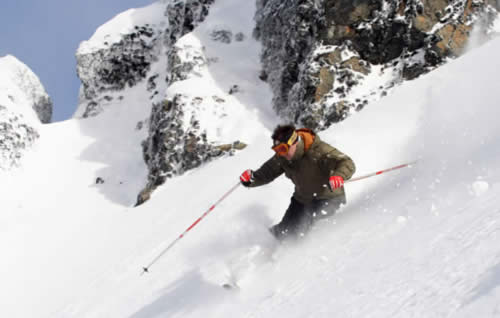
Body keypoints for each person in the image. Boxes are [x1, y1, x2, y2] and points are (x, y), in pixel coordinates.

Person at [239, 124, 356, 240]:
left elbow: (346, 162)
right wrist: (252, 179)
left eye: (283, 149)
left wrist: (338, 176)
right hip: (302, 199)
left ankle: (298, 256)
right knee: (282, 231)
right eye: (277, 150)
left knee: (307, 232)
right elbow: (267, 172)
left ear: (294, 142)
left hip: (328, 198)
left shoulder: (319, 151)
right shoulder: (282, 156)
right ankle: (261, 249)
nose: (281, 153)